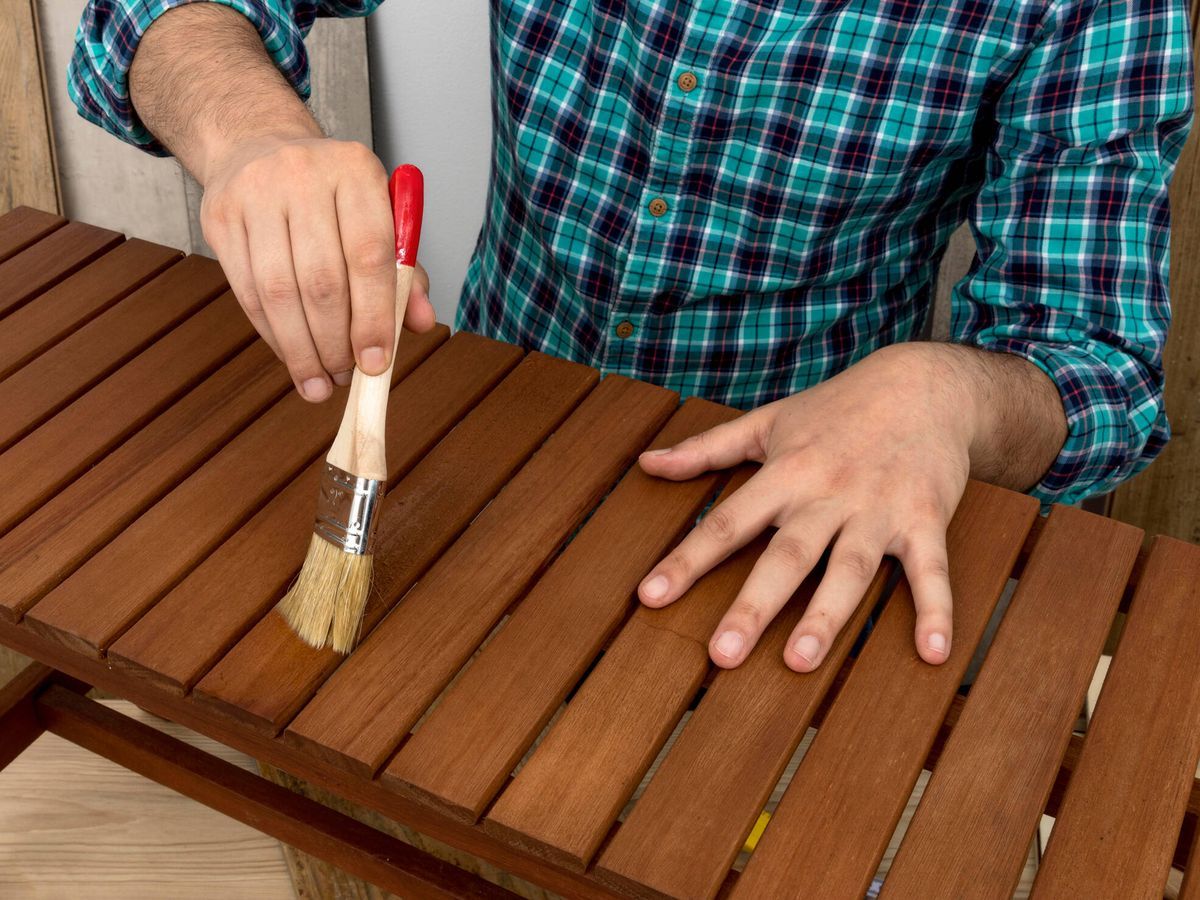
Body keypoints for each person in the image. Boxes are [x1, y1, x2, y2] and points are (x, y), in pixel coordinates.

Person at [69, 0, 1192, 675]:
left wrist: (945, 395)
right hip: (494, 442)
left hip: (791, 527)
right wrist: (250, 132)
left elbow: (1096, 364)